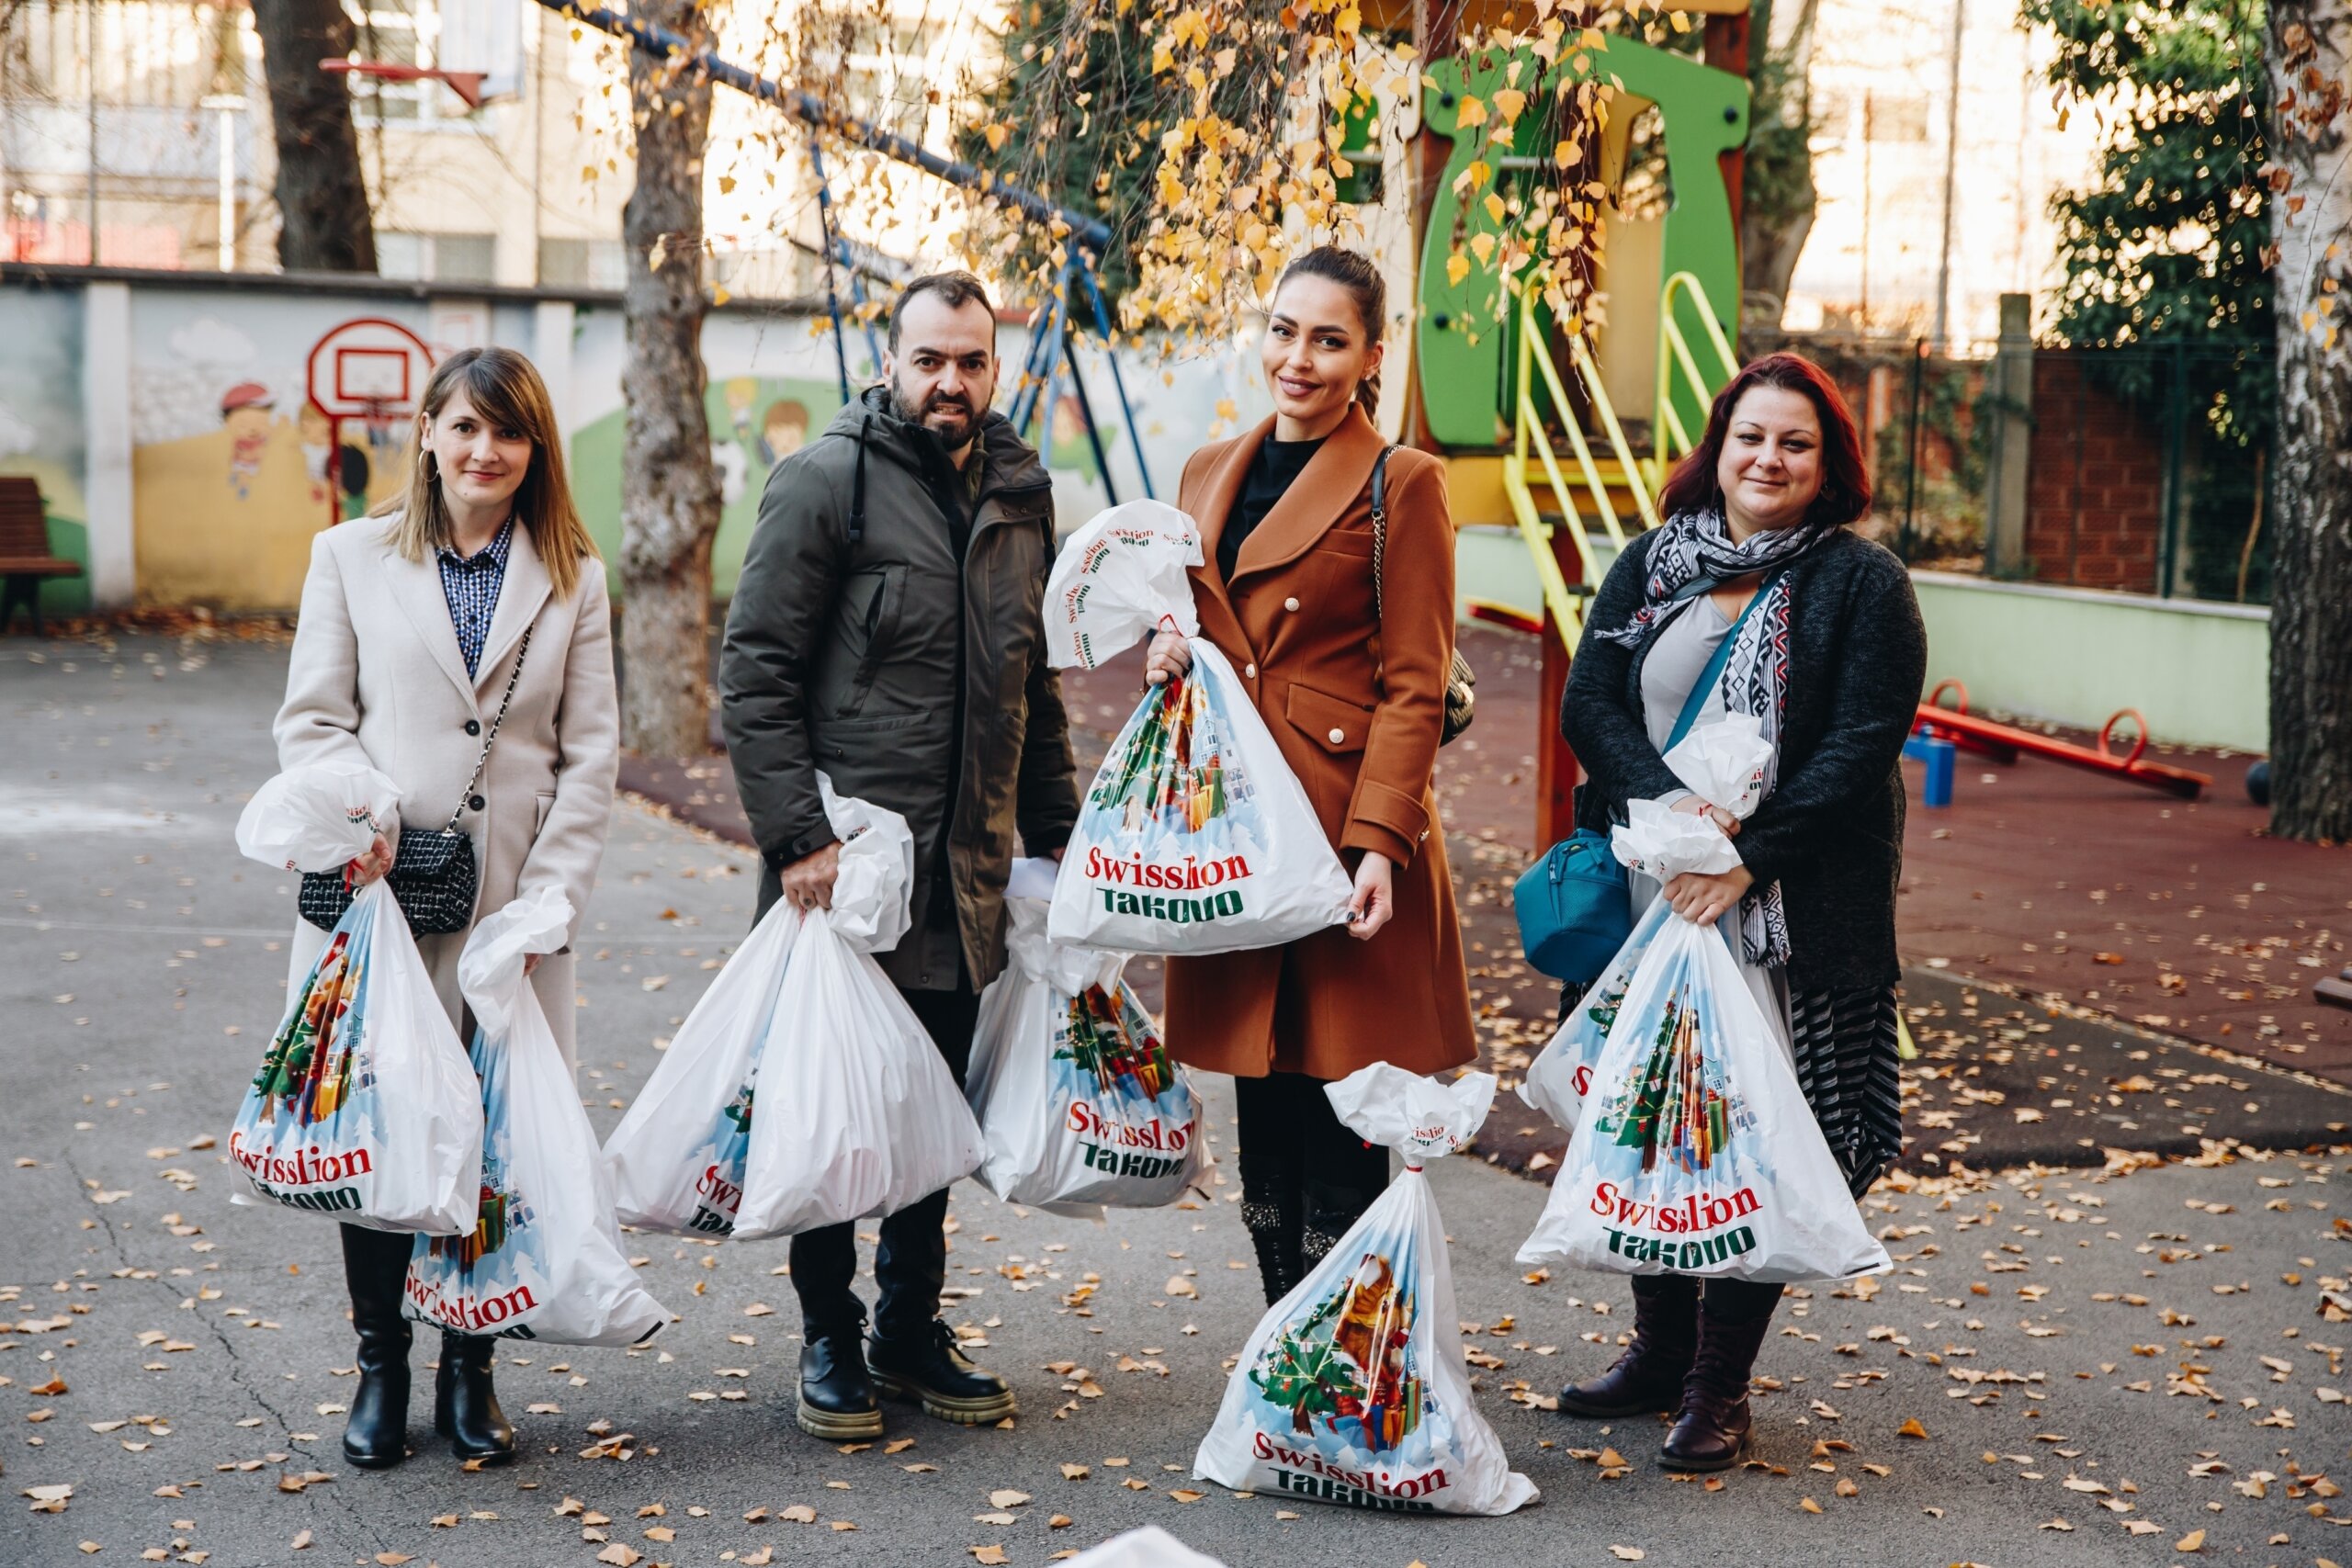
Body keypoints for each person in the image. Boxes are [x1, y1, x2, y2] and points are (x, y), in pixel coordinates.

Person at [719, 270, 1079, 1441]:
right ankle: (829, 1333)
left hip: (964, 873)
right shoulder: (827, 479)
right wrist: (796, 841)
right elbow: (756, 670)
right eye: (930, 359)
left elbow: (1036, 690)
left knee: (930, 1115)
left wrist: (1064, 845)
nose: (950, 382)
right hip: (848, 870)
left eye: (971, 361)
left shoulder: (1024, 497)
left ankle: (909, 1331)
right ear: (891, 360)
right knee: (831, 1110)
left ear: (995, 366)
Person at [1554, 353, 1927, 1470]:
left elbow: (1861, 747)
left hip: (1789, 909)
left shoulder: (1864, 585)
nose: (1768, 459)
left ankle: (1719, 1386)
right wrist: (1675, 819)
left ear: (1829, 465)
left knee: (1755, 1136)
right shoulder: (1655, 565)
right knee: (1657, 1122)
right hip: (1652, 892)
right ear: (1717, 447)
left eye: (1795, 443)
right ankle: (1657, 1354)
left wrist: (1745, 857)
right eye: (1750, 437)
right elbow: (1590, 702)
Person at [274, 345, 618, 1471]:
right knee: (382, 1128)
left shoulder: (574, 573)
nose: (486, 451)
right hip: (380, 898)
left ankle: (471, 1365)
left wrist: (546, 907)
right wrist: (360, 810)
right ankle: (382, 1365)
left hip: (512, 913)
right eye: (465, 428)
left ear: (535, 450)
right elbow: (313, 720)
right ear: (427, 430)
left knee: (489, 1138)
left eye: (508, 433)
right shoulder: (351, 557)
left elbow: (590, 757)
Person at [1142, 245, 1476, 1306]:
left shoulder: (1401, 482)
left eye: (1329, 339)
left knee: (1342, 1118)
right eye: (1285, 330)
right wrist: (1168, 651)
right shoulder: (1205, 470)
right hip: (1234, 836)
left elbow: (1417, 684)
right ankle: (1285, 1360)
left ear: (1371, 355)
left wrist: (1380, 841)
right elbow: (1202, 629)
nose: (1299, 357)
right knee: (1265, 1114)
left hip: (1338, 835)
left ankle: (1349, 1369)